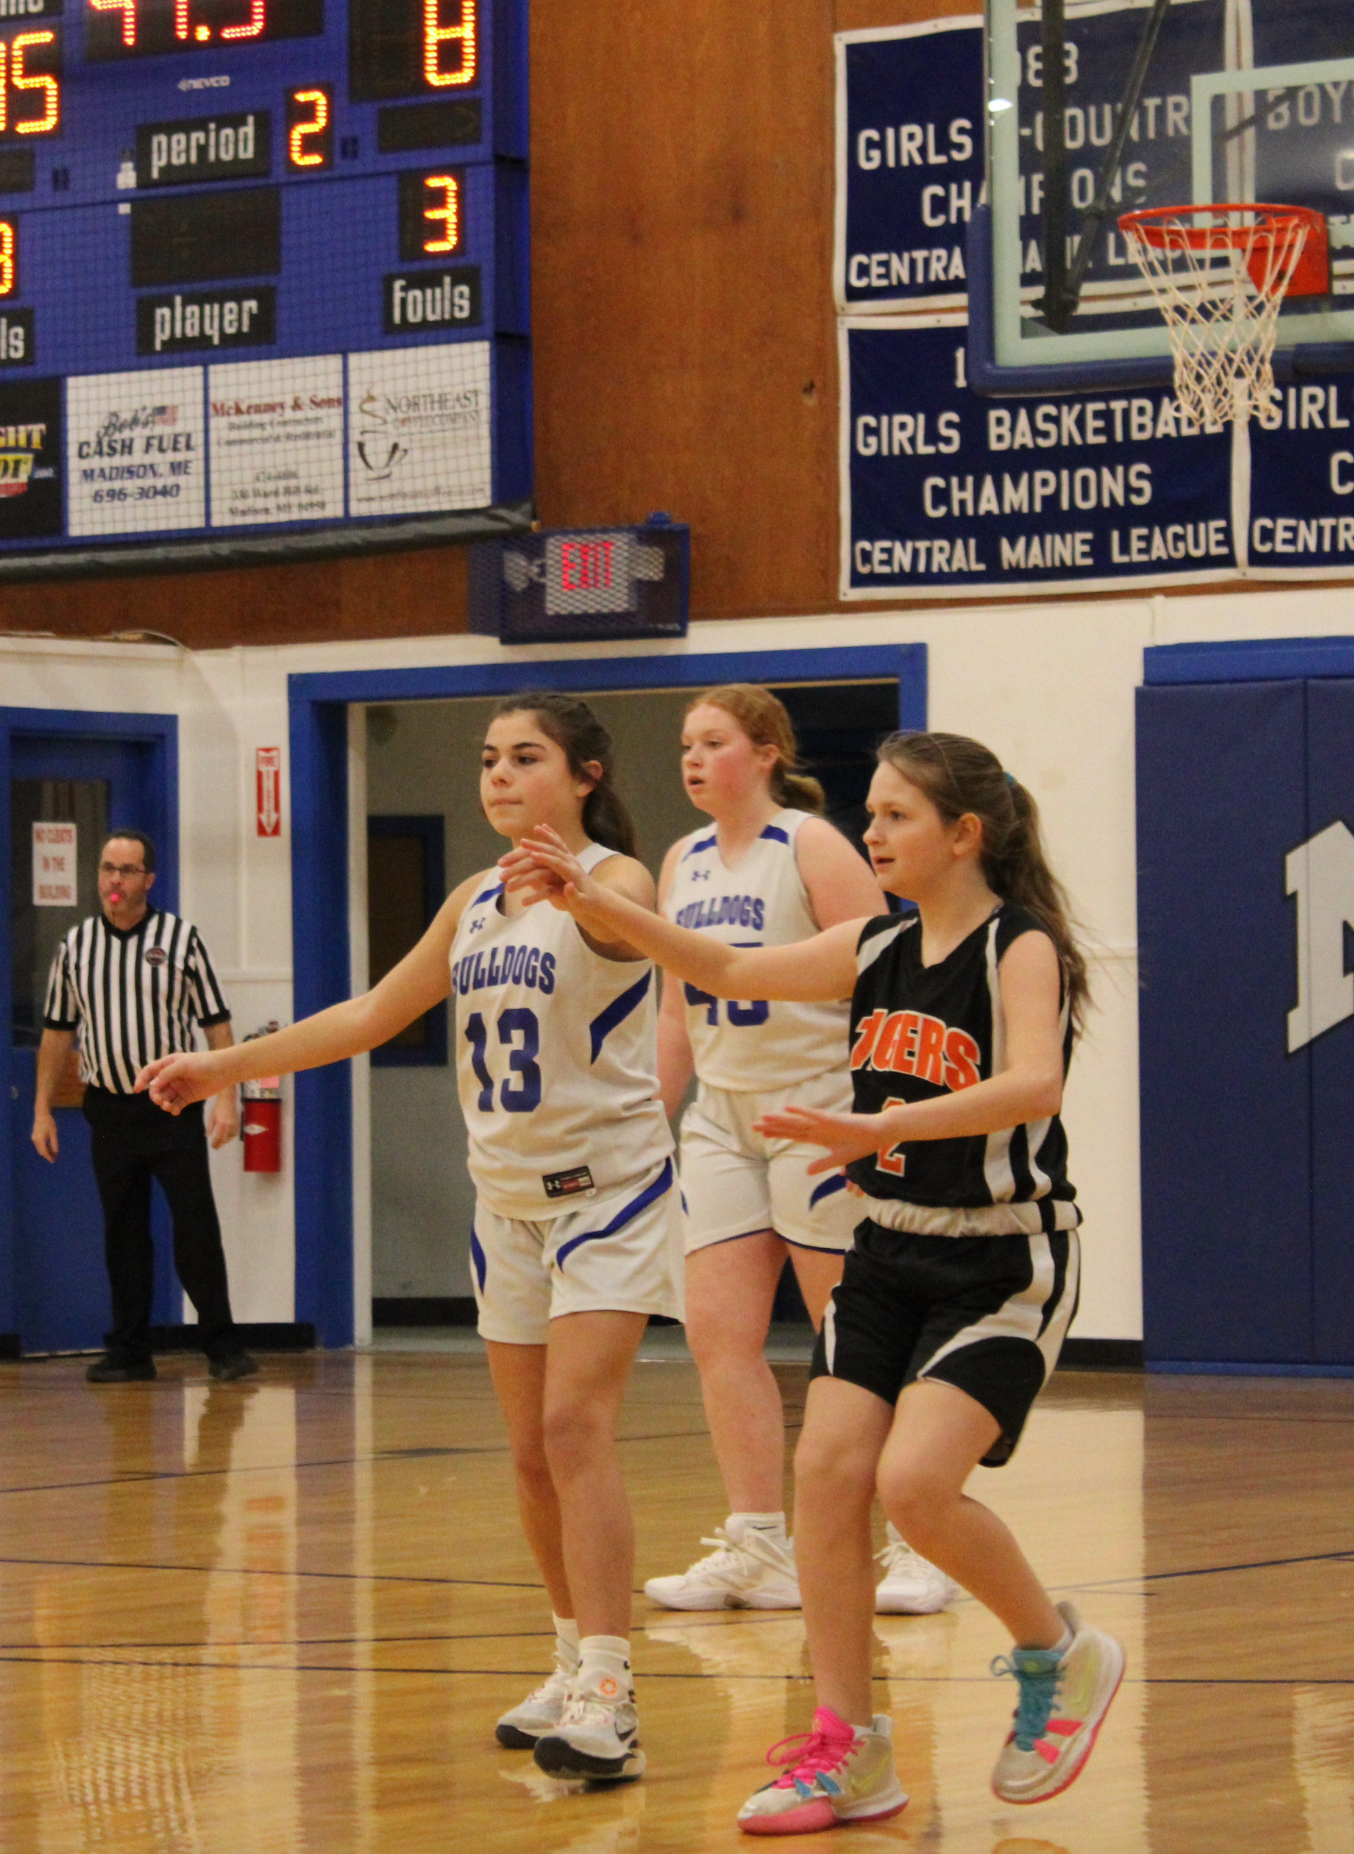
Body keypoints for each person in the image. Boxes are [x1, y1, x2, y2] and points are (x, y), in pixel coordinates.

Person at [502, 729, 1125, 1832]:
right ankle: (850, 1748)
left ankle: (1056, 1652)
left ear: (961, 834)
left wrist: (871, 1121)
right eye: (871, 814)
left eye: (894, 816)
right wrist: (598, 901)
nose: (871, 832)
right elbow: (729, 969)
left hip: (1000, 1259)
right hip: (887, 1246)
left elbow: (1032, 1086)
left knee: (915, 1486)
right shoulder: (875, 941)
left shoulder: (1016, 946)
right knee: (827, 1484)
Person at [136, 693, 682, 1787]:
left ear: (582, 775)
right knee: (530, 1453)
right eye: (487, 758)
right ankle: (570, 1656)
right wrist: (227, 1064)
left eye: (526, 757)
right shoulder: (473, 899)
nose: (498, 775)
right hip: (506, 1205)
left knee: (577, 1430)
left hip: (608, 1194)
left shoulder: (617, 878)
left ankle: (614, 1693)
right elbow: (373, 1012)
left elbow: (617, 927)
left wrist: (572, 889)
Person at [645, 684, 955, 1619]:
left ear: (768, 751)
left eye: (714, 742)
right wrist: (650, 1125)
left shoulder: (811, 844)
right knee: (718, 1335)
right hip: (722, 1117)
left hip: (819, 1107)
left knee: (847, 1335)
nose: (694, 759)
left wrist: (882, 1117)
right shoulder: (682, 858)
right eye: (686, 744)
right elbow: (674, 1010)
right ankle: (757, 1543)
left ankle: (915, 1540)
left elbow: (885, 976)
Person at [31, 830, 255, 1385]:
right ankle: (131, 1352)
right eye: (108, 868)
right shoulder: (76, 946)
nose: (115, 879)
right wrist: (41, 1109)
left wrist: (227, 1096)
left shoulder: (181, 940)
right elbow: (57, 1033)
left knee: (195, 1228)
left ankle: (223, 1347)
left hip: (172, 1106)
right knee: (123, 1232)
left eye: (127, 870)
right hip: (108, 1108)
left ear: (148, 880)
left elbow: (217, 1026)